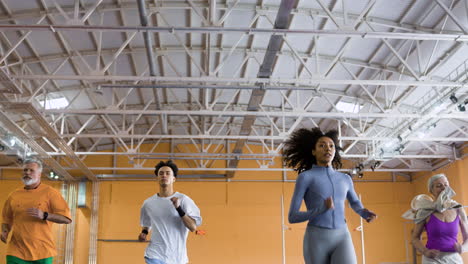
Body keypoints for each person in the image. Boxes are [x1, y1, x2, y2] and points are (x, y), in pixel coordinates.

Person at [283, 127, 377, 264]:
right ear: (313, 151)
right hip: (316, 238)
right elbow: (292, 217)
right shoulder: (306, 177)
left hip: (342, 236)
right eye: (322, 145)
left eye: (331, 146)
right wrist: (320, 210)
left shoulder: (345, 178)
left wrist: (364, 213)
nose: (328, 149)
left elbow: (355, 202)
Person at [1, 159, 72, 264]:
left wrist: (45, 215)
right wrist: (5, 231)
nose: (27, 173)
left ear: (39, 174)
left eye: (31, 170)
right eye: (25, 170)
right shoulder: (14, 195)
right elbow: (7, 219)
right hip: (16, 251)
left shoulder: (50, 193)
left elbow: (66, 219)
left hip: (42, 252)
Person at [138, 160, 202, 264]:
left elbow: (193, 227)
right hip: (155, 254)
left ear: (173, 179)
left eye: (168, 173)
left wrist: (179, 208)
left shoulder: (184, 199)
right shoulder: (148, 203)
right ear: (157, 178)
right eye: (161, 173)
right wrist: (144, 233)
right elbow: (146, 225)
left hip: (178, 257)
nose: (164, 175)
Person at [404, 174, 468, 263]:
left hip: (453, 258)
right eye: (439, 186)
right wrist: (425, 251)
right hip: (432, 259)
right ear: (432, 190)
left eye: (446, 185)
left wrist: (463, 248)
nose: (444, 188)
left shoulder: (457, 208)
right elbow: (415, 238)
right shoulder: (425, 211)